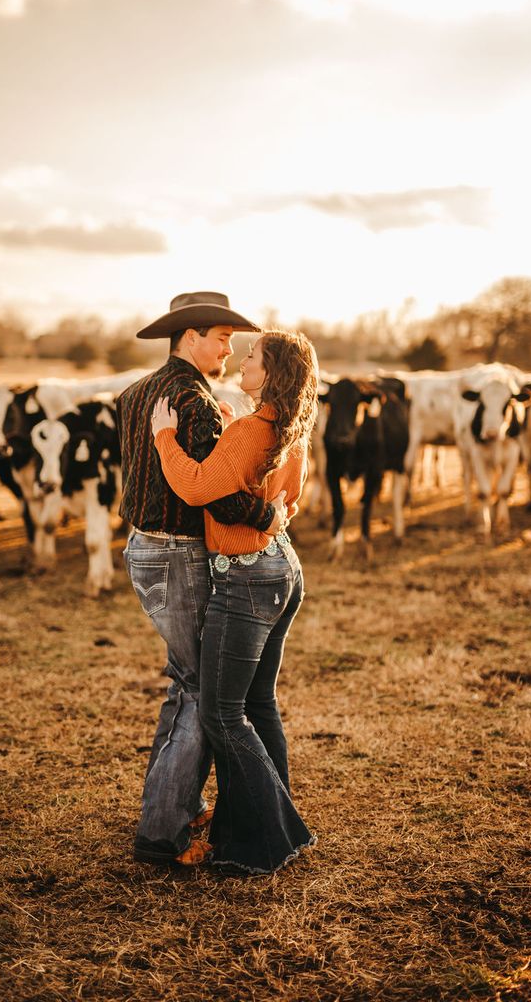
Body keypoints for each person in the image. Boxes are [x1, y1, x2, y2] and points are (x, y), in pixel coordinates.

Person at [117, 292, 287, 867]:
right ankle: (163, 833)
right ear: (189, 337)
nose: (229, 349)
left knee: (187, 684)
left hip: (142, 547)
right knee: (199, 690)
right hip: (178, 555)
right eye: (221, 337)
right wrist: (269, 515)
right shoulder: (194, 401)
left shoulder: (135, 393)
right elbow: (211, 492)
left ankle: (171, 817)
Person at [150, 328, 319, 876]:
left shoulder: (250, 431)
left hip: (245, 579)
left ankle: (269, 837)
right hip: (281, 569)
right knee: (258, 705)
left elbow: (199, 487)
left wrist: (164, 440)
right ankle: (271, 818)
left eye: (254, 356)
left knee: (224, 714)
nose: (243, 360)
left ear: (272, 374)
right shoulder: (290, 430)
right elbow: (287, 497)